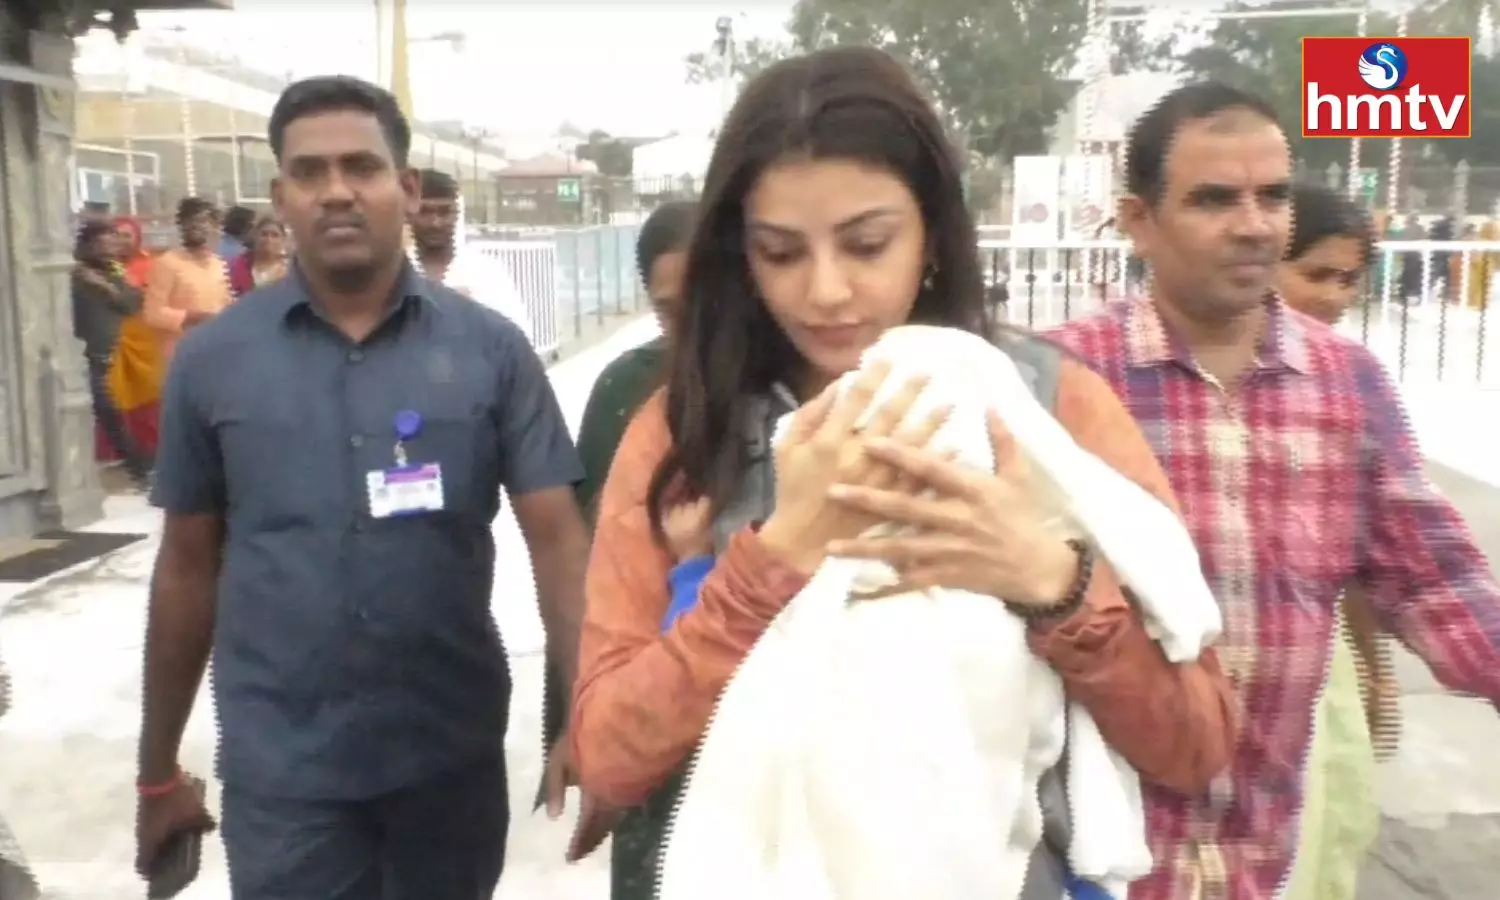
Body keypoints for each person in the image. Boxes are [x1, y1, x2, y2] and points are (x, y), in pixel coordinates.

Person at [567, 46, 1237, 900]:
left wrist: (1050, 584)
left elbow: (1197, 743)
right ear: (740, 255)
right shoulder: (687, 435)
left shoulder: (1041, 407)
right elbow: (608, 758)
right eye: (780, 253)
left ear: (932, 234)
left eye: (867, 244)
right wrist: (771, 562)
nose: (826, 291)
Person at [134, 74, 591, 900]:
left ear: (406, 188)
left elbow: (559, 542)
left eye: (362, 167)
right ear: (280, 197)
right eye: (309, 172)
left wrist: (589, 710)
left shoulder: (490, 351)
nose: (337, 191)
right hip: (284, 774)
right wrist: (157, 768)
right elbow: (187, 569)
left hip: (447, 760)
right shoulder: (213, 361)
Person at [1048, 81, 1500, 900]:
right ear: (1139, 220)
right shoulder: (1061, 379)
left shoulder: (1346, 383)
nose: (1254, 224)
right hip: (1093, 863)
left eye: (1274, 196)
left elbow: (1436, 581)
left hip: (1261, 861)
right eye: (1215, 199)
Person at [1272, 182, 1392, 898]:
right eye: (1316, 273)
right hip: (1204, 663)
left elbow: (1368, 550)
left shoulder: (1350, 383)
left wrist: (1375, 670)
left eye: (1349, 280)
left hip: (1320, 664)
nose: (1335, 296)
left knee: (1320, 837)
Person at [574, 200, 695, 522]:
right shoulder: (623, 388)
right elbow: (593, 529)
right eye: (670, 311)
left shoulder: (791, 380)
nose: (692, 327)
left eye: (704, 303)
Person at [408, 167, 536, 345]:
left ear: (456, 215)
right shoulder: (393, 274)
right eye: (425, 212)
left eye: (444, 212)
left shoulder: (486, 272)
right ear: (409, 214)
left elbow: (519, 340)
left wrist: (470, 316)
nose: (435, 223)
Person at [72, 220, 153, 488]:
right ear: (87, 245)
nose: (109, 249)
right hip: (86, 356)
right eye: (102, 243)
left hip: (115, 356)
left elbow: (133, 303)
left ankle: (141, 468)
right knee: (106, 414)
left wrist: (108, 288)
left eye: (111, 243)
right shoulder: (74, 275)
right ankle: (138, 469)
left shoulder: (113, 272)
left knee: (115, 413)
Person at [99, 216, 167, 464]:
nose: (121, 241)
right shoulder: (99, 269)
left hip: (145, 344)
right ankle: (116, 454)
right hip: (112, 342)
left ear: (137, 238)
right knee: (113, 394)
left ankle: (151, 451)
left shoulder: (152, 265)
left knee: (148, 396)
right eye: (116, 235)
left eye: (127, 235)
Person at [142, 197, 232, 364]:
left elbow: (225, 306)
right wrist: (189, 318)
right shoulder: (166, 263)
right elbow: (152, 314)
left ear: (214, 226)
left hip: (215, 352)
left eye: (203, 220)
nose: (196, 225)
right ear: (181, 226)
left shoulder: (219, 264)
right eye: (190, 220)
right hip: (180, 355)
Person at [228, 216, 289, 297]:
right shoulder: (238, 264)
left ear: (283, 239)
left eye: (275, 235)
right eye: (264, 234)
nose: (269, 239)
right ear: (255, 236)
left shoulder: (289, 272)